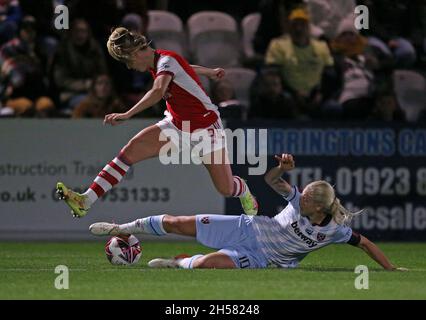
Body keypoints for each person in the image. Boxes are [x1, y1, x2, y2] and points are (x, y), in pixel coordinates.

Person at [56, 27, 258, 218]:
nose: (130, 67)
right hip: (176, 126)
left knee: (226, 188)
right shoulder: (160, 60)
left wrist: (128, 113)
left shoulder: (165, 61)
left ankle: (244, 190)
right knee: (129, 152)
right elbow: (186, 67)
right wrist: (208, 72)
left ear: (134, 55)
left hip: (205, 129)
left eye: (128, 63)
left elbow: (158, 91)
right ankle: (86, 201)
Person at [89, 153, 407, 271]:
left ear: (319, 207)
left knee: (205, 265)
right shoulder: (297, 200)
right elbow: (271, 181)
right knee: (176, 222)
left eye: (308, 197)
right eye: (303, 192)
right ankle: (120, 228)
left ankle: (177, 262)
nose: (301, 196)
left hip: (260, 259)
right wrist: (280, 169)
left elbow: (365, 243)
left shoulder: (334, 229)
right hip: (247, 228)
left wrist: (390, 268)